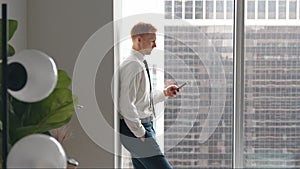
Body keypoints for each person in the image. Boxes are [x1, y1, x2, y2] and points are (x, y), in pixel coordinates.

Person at [119, 22, 179, 169]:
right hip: (136, 129)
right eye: (152, 41)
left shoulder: (138, 63)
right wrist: (140, 133)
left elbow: (142, 99)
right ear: (139, 40)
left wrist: (165, 93)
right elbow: (126, 103)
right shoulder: (133, 65)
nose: (155, 45)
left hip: (141, 127)